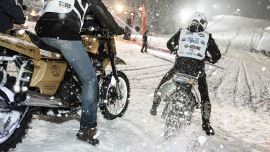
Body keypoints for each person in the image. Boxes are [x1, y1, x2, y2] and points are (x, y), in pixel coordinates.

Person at [35, 0, 124, 146]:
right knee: (90, 80)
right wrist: (115, 28)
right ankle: (87, 129)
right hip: (62, 29)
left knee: (66, 62)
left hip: (42, 29)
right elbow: (99, 9)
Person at [150, 12, 221, 136]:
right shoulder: (207, 36)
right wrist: (208, 59)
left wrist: (175, 50)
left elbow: (169, 44)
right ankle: (206, 123)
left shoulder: (182, 31)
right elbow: (217, 55)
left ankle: (155, 105)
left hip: (179, 68)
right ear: (203, 24)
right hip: (197, 71)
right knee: (204, 96)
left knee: (163, 82)